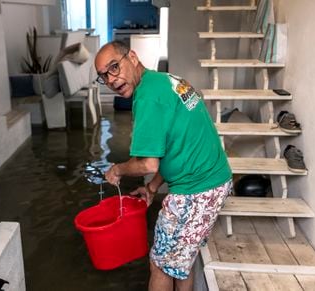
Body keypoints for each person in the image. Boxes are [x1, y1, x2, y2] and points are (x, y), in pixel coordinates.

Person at [95, 40, 232, 291]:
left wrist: (117, 169)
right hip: (212, 181)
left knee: (160, 265)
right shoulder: (163, 80)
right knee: (180, 263)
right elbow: (172, 146)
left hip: (197, 190)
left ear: (132, 57)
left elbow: (147, 164)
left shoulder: (148, 98)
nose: (111, 79)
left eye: (114, 67)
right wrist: (153, 188)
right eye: (103, 76)